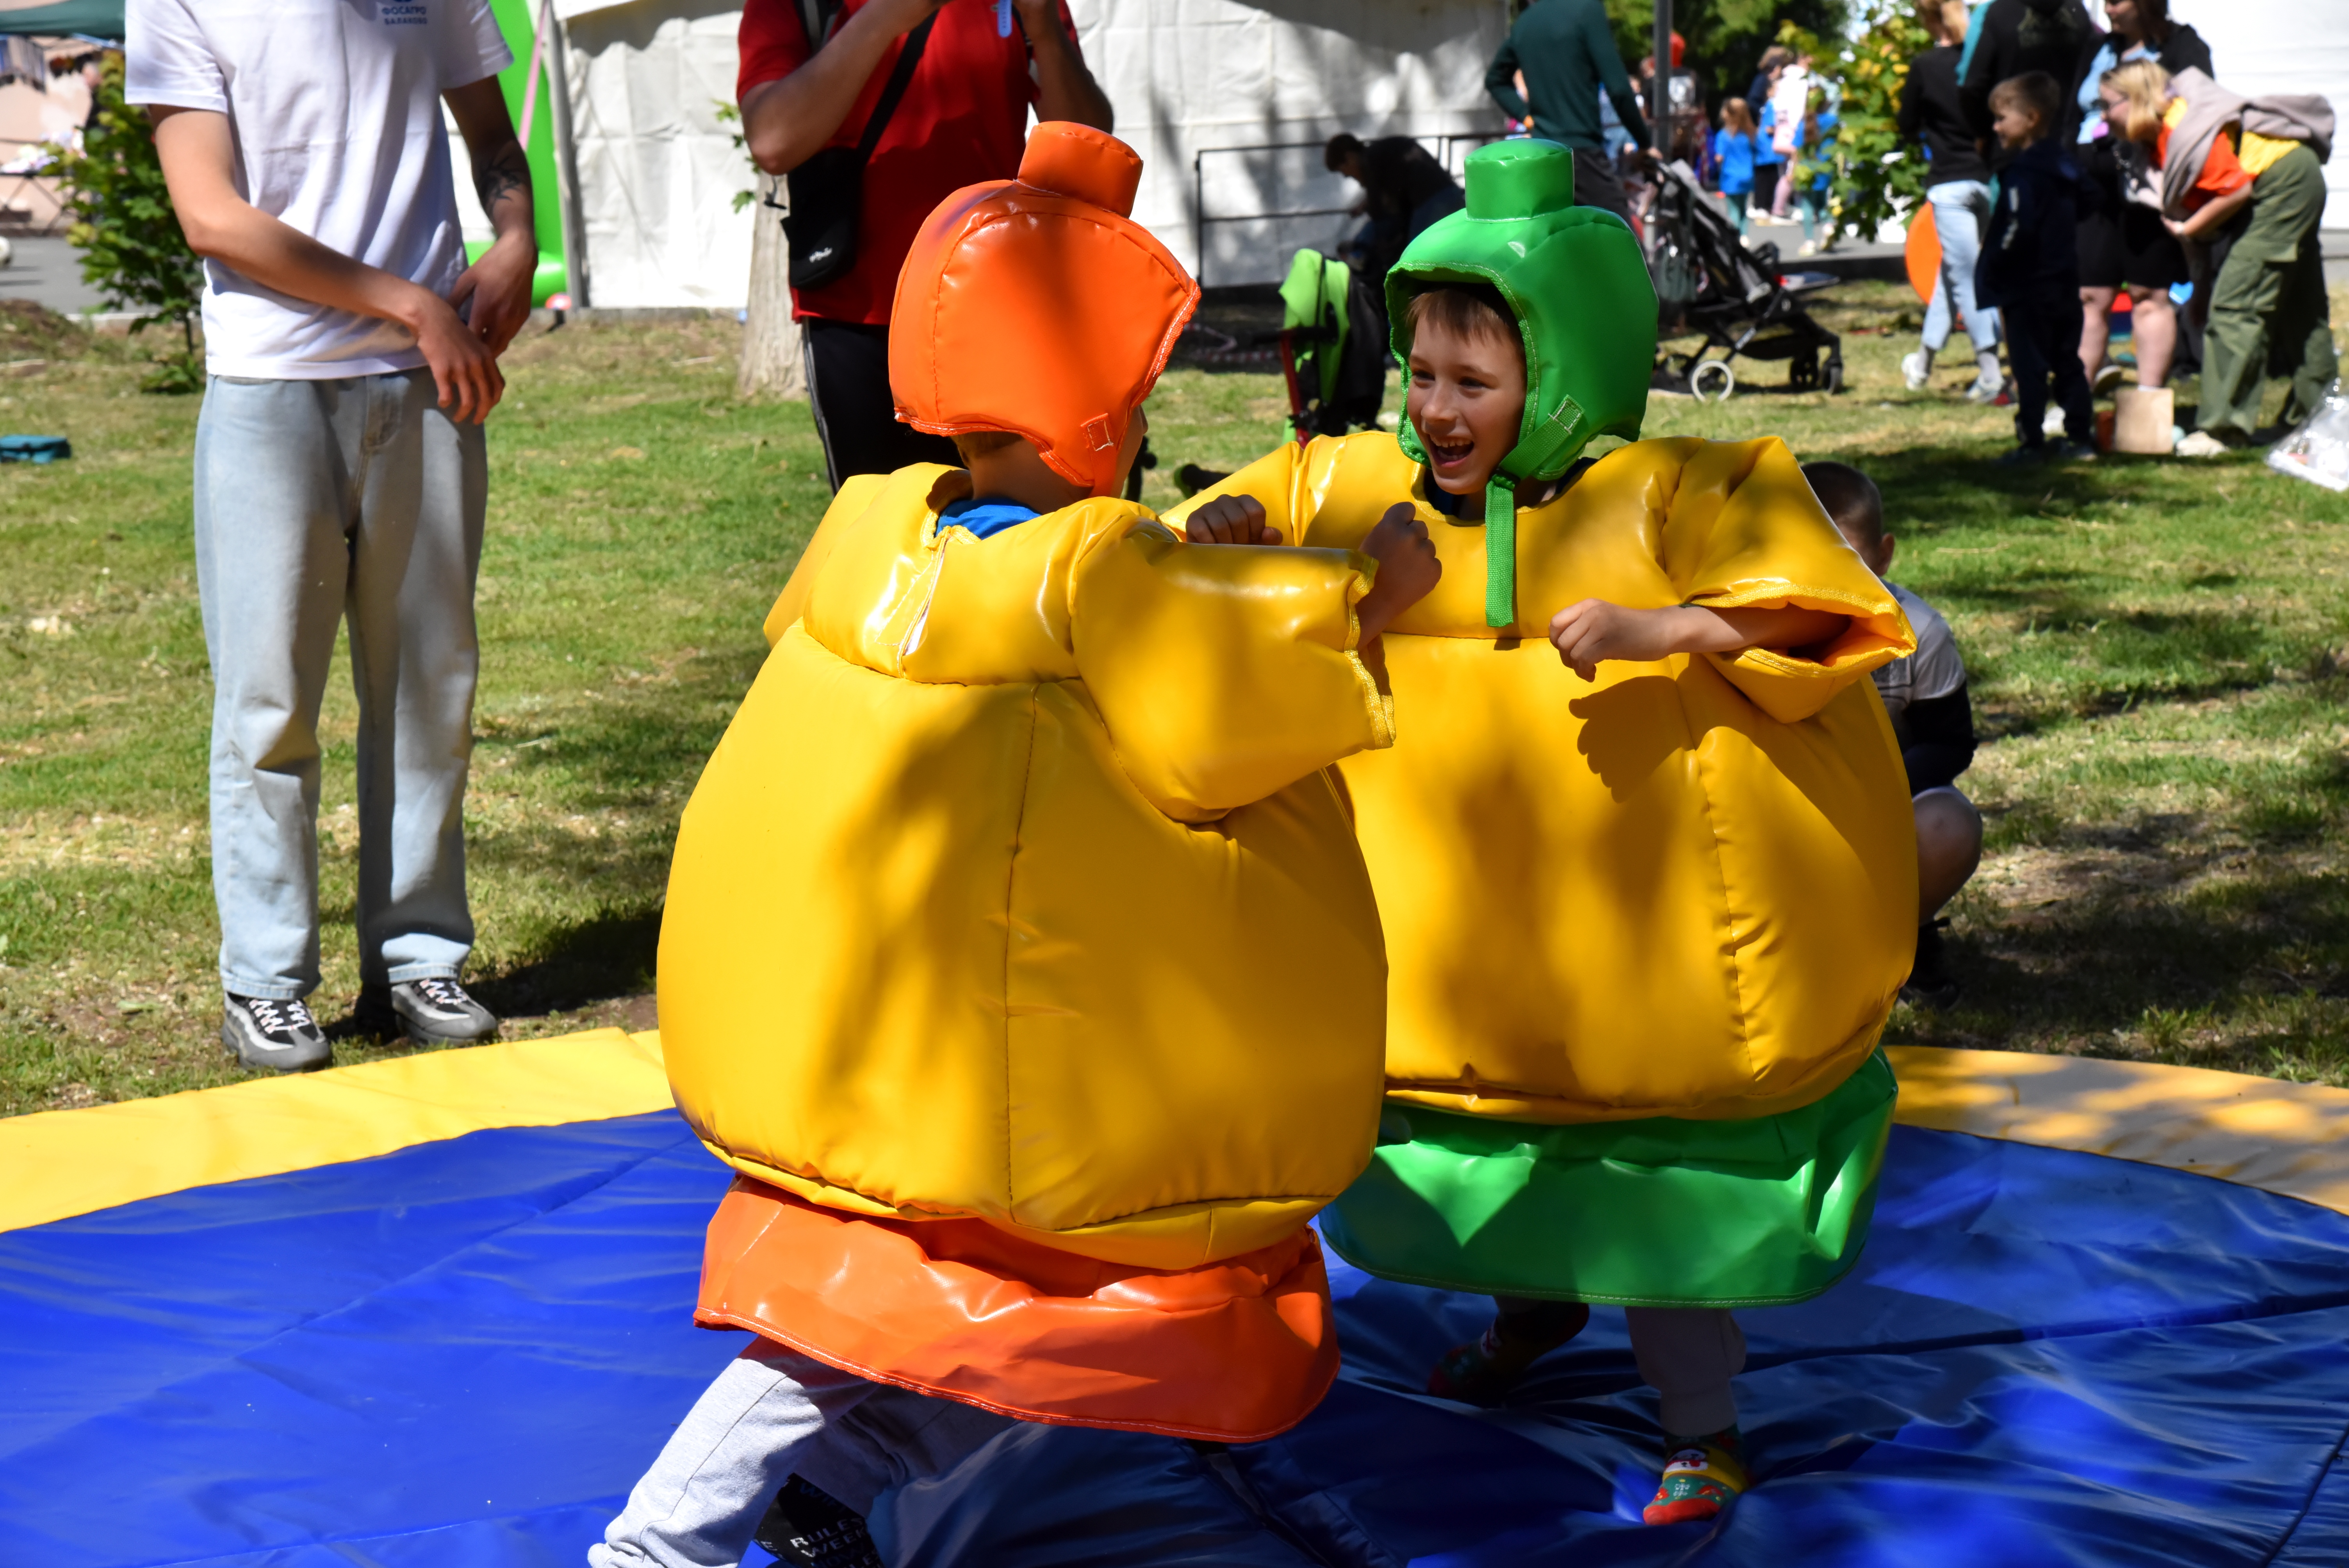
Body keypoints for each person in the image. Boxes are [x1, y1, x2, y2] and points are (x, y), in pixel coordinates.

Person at [595, 123, 1443, 1568]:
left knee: (1026, 1340)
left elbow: (1069, 603)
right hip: (1012, 1105)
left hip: (862, 1058)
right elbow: (1209, 700)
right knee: (882, 1334)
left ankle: (818, 1504)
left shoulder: (877, 533)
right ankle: (656, 1547)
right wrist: (1366, 594)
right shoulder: (1104, 583)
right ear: (1089, 401)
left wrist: (1200, 533)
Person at [1173, 139, 1918, 1530]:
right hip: (1463, 964)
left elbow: (1819, 604)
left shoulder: (1664, 494)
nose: (1437, 412)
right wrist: (1223, 537)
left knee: (1645, 1206)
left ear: (1561, 368)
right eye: (1422, 378)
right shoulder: (1368, 490)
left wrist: (1667, 626)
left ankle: (1699, 1427)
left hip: (1641, 983)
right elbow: (1229, 527)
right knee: (1498, 1158)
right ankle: (1529, 1319)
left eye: (1474, 382)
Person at [130, 0, 538, 1070]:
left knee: (428, 691)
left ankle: (420, 958)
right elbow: (210, 215)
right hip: (276, 388)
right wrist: (410, 304)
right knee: (271, 703)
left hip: (428, 385)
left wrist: (518, 240)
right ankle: (266, 982)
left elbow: (491, 134)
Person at [736, 0, 1112, 490]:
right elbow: (773, 139)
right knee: (882, 528)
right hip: (859, 312)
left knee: (1018, 526)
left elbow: (1089, 142)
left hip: (998, 308)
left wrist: (1041, 25)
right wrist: (890, 14)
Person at [1805, 462, 1981, 1008]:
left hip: (1888, 805)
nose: (1832, 582)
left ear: (1884, 555)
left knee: (1951, 823)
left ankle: (1907, 939)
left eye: (1850, 562)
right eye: (1812, 561)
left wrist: (1877, 792)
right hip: (1787, 811)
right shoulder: (1745, 628)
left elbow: (1950, 742)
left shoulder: (1920, 632)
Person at [2104, 61, 2337, 456]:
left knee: (2236, 306)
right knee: (2300, 307)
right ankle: (2317, 420)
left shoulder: (2186, 130)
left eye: (2107, 105)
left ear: (2136, 100)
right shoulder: (2156, 144)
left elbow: (2233, 191)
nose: (2103, 116)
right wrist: (2198, 289)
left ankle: (2221, 428)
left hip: (2281, 182)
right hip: (2291, 178)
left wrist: (2187, 229)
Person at [2072, 0, 2208, 394]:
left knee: (2148, 292)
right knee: (2090, 293)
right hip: (2093, 187)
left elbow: (2194, 112)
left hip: (2146, 188)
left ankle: (2148, 399)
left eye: (2117, 1)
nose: (2108, 9)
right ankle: (2075, 397)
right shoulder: (2099, 47)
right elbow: (2073, 111)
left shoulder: (2181, 47)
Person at [1977, 71, 2095, 462]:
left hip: (2027, 285)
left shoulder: (2020, 175)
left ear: (2029, 118)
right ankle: (2080, 436)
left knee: (2028, 365)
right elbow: (2089, 202)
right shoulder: (2067, 166)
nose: (1995, 127)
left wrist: (1996, 261)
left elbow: (2016, 224)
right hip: (2064, 279)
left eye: (2001, 118)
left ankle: (2032, 440)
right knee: (2067, 359)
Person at [1900, 0, 2006, 402]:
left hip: (1949, 184)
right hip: (1988, 179)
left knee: (1966, 278)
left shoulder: (1925, 66)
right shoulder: (1982, 64)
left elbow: (1906, 123)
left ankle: (1991, 373)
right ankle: (1922, 363)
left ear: (1929, 19)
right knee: (1954, 272)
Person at [1484, 0, 1650, 225]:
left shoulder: (1525, 22)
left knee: (1554, 251)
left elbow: (1495, 79)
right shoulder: (1586, 10)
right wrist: (1645, 143)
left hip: (1542, 161)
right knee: (1624, 247)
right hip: (1584, 158)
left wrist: (1528, 119)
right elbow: (1620, 89)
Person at [1325, 132, 1465, 282]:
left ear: (1350, 158)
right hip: (1452, 196)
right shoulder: (1385, 150)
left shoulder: (1371, 160)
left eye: (1346, 174)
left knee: (1414, 263)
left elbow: (1378, 210)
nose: (1354, 180)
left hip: (1432, 205)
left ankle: (1358, 256)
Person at [1960, 0, 2096, 153]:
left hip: (2014, 144)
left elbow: (1972, 84)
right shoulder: (2077, 10)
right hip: (2069, 141)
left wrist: (1985, 132)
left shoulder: (1998, 11)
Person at [1789, 85, 1840, 256]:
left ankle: (1810, 241)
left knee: (1808, 206)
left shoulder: (1805, 123)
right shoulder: (1832, 121)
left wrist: (1793, 171)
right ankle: (1828, 227)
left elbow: (1796, 150)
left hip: (1807, 171)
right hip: (1826, 168)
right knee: (1824, 204)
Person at [1745, 46, 1789, 223]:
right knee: (1766, 174)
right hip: (1766, 139)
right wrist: (1763, 119)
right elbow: (1753, 102)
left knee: (1770, 173)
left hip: (1766, 140)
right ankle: (1763, 205)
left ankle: (1767, 204)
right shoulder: (1763, 84)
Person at [1710, 98, 1763, 236]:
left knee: (1733, 210)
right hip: (1747, 175)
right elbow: (1758, 150)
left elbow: (1719, 157)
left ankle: (1736, 238)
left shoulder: (1724, 135)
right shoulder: (1750, 134)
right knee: (1743, 209)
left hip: (1730, 176)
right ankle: (1745, 236)